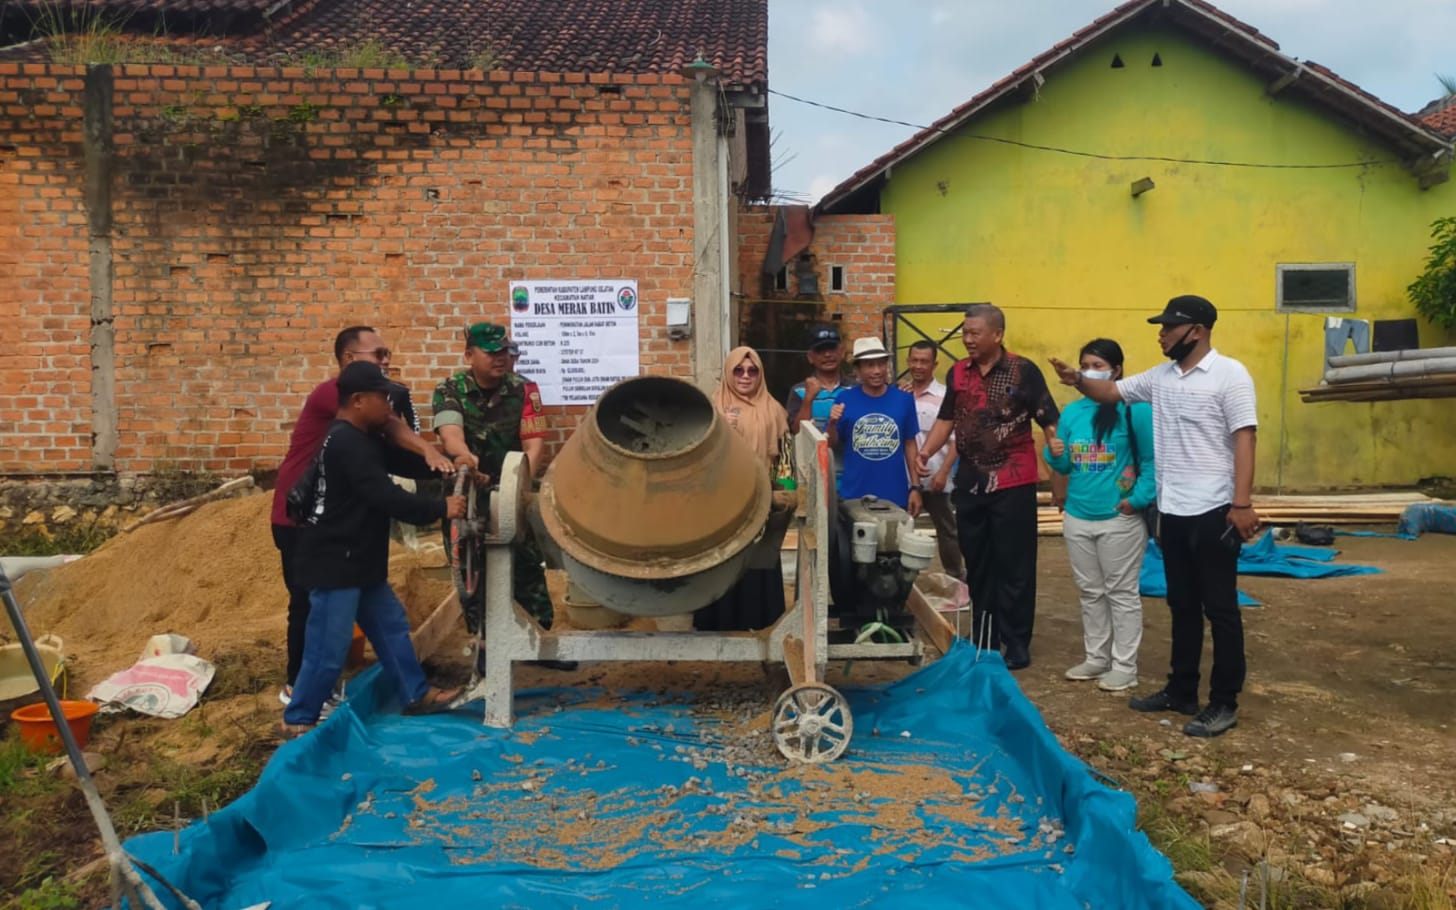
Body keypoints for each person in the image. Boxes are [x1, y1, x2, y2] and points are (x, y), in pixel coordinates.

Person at [1049, 294, 1259, 738]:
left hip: (1216, 509)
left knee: (1220, 608)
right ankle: (1181, 690)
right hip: (1174, 510)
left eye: (1169, 327)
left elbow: (1244, 438)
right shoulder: (1161, 378)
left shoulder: (1230, 375)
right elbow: (1109, 390)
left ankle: (1223, 702)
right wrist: (1076, 379)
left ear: (1196, 331)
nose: (1161, 334)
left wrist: (1241, 504)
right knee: (1181, 604)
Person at [278, 361, 465, 738]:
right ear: (359, 400)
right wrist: (440, 509)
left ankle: (416, 694)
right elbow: (385, 496)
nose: (390, 408)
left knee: (392, 628)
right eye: (383, 399)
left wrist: (448, 464)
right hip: (335, 563)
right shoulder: (346, 443)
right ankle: (298, 719)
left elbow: (407, 464)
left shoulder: (365, 437)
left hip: (359, 561)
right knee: (327, 650)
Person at [917, 304, 1059, 670]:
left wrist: (1057, 452)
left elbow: (1048, 418)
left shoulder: (1023, 370)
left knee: (1015, 564)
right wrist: (927, 450)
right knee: (978, 562)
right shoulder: (958, 373)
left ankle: (1017, 642)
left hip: (1014, 481)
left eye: (974, 333)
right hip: (970, 482)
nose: (967, 340)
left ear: (996, 334)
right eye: (964, 333)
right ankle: (985, 636)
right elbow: (947, 418)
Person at [432, 323, 563, 654]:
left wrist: (516, 490)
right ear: (469, 355)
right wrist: (463, 457)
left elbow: (534, 445)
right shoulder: (450, 389)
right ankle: (485, 643)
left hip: (511, 488)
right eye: (491, 353)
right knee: (469, 569)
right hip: (466, 491)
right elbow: (450, 433)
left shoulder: (525, 390)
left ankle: (539, 641)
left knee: (526, 563)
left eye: (503, 351)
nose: (500, 358)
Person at [1044, 338, 1155, 693]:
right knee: (1090, 591)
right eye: (1085, 365)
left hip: (1119, 517)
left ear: (1117, 371)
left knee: (1121, 592)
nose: (1090, 371)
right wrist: (1055, 452)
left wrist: (1136, 500)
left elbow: (1153, 462)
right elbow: (1064, 464)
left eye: (1097, 365)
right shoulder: (1073, 413)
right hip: (1078, 514)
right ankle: (1097, 658)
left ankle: (1125, 665)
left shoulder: (1134, 409)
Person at [694, 347, 792, 632]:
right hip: (719, 503)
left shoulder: (773, 410)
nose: (745, 376)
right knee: (721, 563)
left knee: (755, 562)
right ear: (728, 373)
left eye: (752, 371)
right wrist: (721, 429)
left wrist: (784, 492)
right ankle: (717, 623)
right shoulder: (711, 408)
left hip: (759, 501)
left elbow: (784, 457)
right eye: (738, 370)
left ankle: (757, 621)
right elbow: (698, 457)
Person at [828, 337, 921, 514]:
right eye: (870, 365)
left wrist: (915, 488)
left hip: (895, 494)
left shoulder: (904, 399)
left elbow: (910, 444)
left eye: (881, 364)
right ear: (858, 369)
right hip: (855, 495)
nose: (877, 371)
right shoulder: (844, 400)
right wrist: (832, 423)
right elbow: (831, 443)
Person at [900, 341, 964, 579]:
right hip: (904, 480)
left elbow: (957, 440)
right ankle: (903, 583)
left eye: (924, 361)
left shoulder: (945, 397)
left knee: (948, 531)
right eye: (914, 360)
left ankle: (956, 580)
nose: (918, 366)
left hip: (937, 477)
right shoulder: (899, 396)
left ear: (934, 364)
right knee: (901, 532)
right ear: (908, 362)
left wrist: (944, 473)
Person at [785, 324, 849, 434]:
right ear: (810, 357)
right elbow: (797, 431)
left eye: (832, 348)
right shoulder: (799, 391)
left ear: (842, 352)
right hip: (811, 451)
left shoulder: (855, 388)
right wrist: (808, 399)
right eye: (820, 350)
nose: (828, 354)